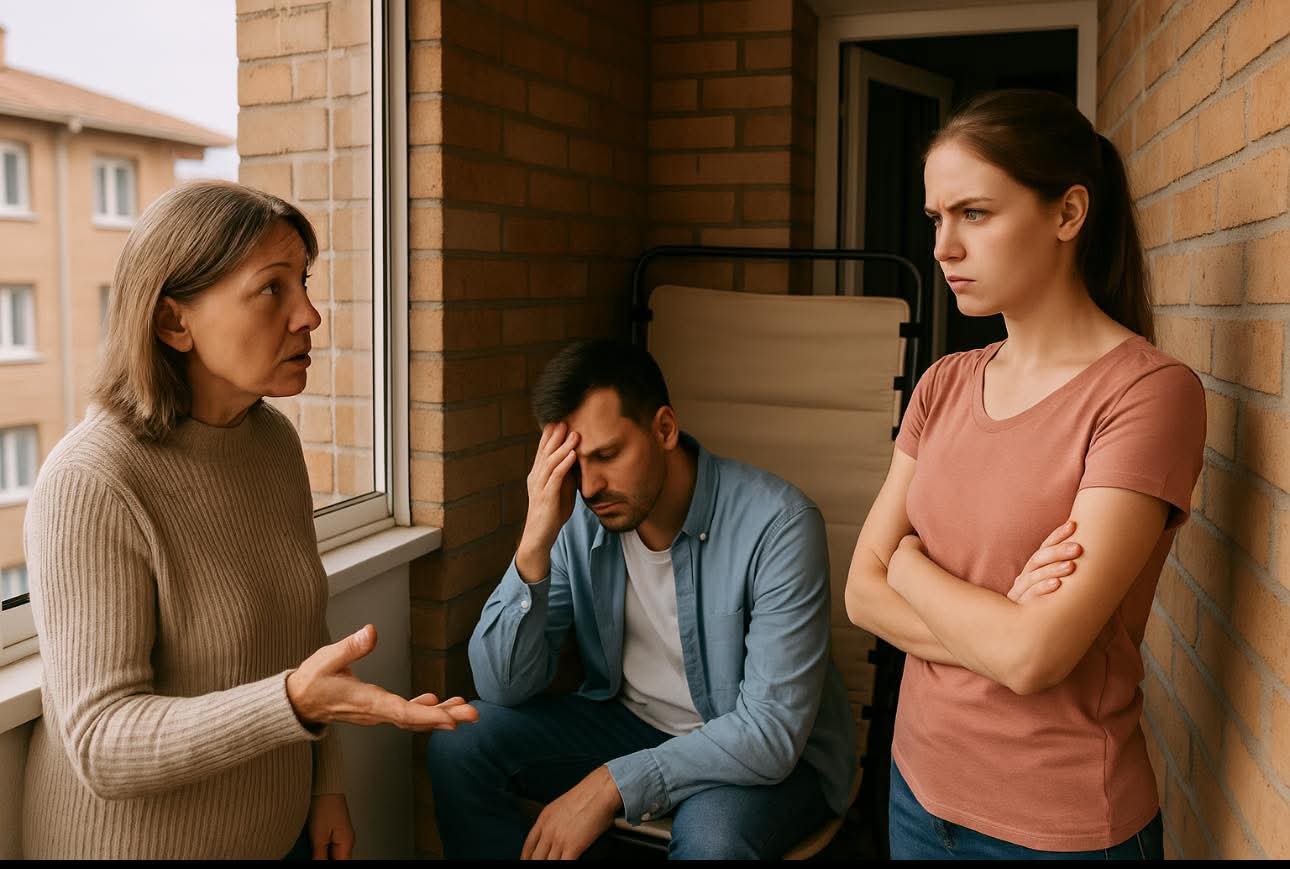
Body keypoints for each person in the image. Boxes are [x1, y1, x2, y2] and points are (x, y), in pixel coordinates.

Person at [21, 181, 478, 860]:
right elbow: (101, 743)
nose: (310, 315)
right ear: (173, 322)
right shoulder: (91, 480)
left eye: (304, 283)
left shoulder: (271, 442)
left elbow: (299, 634)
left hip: (279, 834)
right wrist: (293, 704)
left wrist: (325, 786)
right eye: (272, 289)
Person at [845, 89, 1206, 860]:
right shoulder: (942, 383)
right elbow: (858, 592)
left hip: (1056, 829)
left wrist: (906, 562)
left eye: (974, 213)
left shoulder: (1148, 393)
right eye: (936, 218)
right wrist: (998, 625)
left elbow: (1033, 656)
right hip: (915, 790)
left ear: (1068, 212)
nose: (943, 247)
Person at [425, 338, 855, 859]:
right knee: (459, 744)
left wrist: (612, 784)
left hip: (764, 754)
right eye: (574, 464)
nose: (589, 486)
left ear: (664, 429)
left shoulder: (779, 525)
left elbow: (770, 733)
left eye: (607, 456)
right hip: (631, 726)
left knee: (713, 839)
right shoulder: (578, 518)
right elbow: (501, 686)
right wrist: (535, 539)